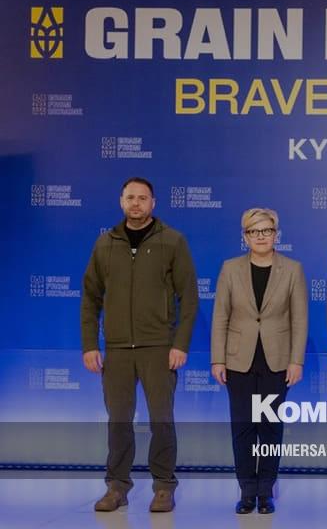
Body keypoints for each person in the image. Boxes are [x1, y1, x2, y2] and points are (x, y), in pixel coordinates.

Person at [80, 177, 199, 513]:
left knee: (162, 419)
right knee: (118, 421)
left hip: (158, 347)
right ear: (121, 202)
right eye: (130, 197)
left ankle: (163, 487)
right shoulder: (105, 244)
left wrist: (179, 344)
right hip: (117, 349)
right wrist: (90, 344)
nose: (136, 203)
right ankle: (117, 487)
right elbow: (90, 298)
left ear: (153, 203)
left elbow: (189, 298)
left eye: (142, 198)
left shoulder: (172, 241)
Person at [211, 208, 308, 515]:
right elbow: (221, 316)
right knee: (243, 427)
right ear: (245, 236)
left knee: (270, 427)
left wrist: (296, 361)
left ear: (276, 234)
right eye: (254, 231)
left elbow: (299, 319)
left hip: (276, 361)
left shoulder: (292, 269)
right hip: (238, 360)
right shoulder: (230, 268)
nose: (261, 236)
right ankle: (246, 492)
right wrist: (218, 359)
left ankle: (265, 492)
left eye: (267, 231)